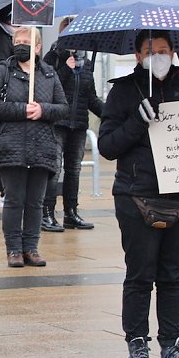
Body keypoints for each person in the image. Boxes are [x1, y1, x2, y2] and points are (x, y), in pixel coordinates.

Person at [98, 30, 179, 358]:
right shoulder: (123, 91)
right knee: (140, 275)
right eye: (149, 51)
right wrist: (136, 122)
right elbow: (108, 146)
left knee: (173, 275)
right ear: (138, 55)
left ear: (173, 52)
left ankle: (172, 346)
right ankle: (137, 346)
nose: (157, 56)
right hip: (136, 194)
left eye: (163, 50)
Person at [0, 26, 67, 268]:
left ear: (38, 47)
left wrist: (43, 110)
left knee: (35, 201)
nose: (20, 44)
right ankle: (13, 249)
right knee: (14, 199)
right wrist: (21, 110)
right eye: (17, 40)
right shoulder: (4, 70)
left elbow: (62, 107)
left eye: (26, 41)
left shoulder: (49, 74)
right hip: (12, 144)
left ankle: (31, 247)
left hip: (42, 145)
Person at [41, 17, 104, 231]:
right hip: (57, 123)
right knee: (54, 168)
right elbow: (47, 89)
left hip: (78, 124)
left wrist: (111, 113)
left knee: (74, 170)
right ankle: (47, 213)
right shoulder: (53, 57)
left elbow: (91, 98)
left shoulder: (85, 63)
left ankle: (71, 212)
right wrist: (66, 69)